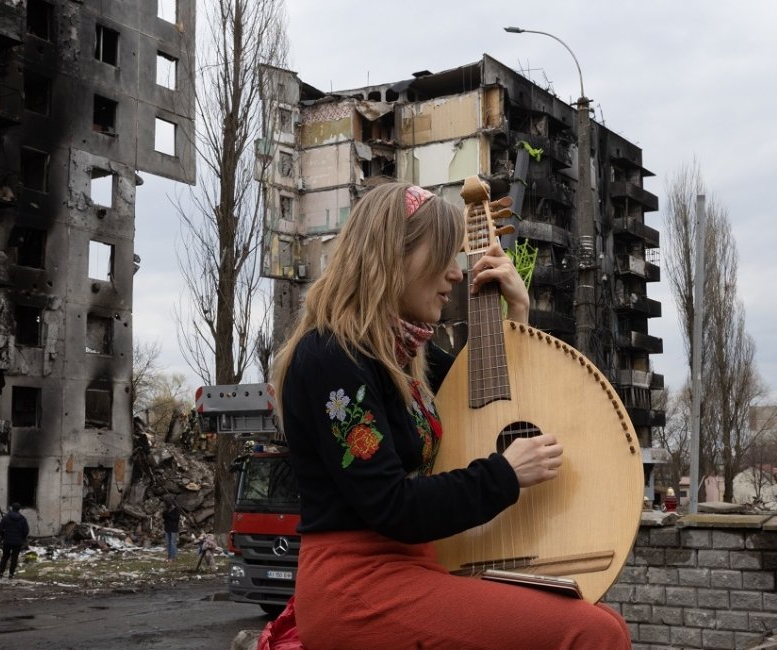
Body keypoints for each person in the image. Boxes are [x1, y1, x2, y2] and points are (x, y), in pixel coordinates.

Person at [266, 183, 631, 649]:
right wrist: (504, 473)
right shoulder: (330, 358)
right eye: (442, 255)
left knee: (607, 621)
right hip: (358, 587)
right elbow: (391, 506)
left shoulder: (408, 357)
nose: (457, 275)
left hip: (416, 567)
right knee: (591, 633)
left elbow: (498, 397)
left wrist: (516, 312)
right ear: (391, 256)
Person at [0, 502, 29, 579]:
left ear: (12, 508)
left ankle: (1, 573)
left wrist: (3, 536)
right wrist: (22, 538)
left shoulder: (6, 518)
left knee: (5, 557)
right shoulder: (22, 519)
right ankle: (11, 574)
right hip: (18, 542)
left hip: (7, 541)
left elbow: (0, 529)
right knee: (14, 558)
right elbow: (26, 531)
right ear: (19, 509)